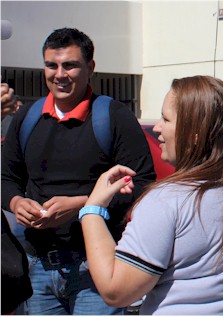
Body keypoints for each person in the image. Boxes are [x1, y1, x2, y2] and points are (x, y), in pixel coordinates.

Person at [79, 75, 223, 314]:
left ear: (194, 134)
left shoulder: (167, 200)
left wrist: (92, 210)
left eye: (166, 119)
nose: (157, 127)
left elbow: (116, 290)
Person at [1, 27, 156, 315]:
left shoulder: (114, 117)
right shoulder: (27, 118)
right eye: (51, 65)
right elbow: (6, 178)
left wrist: (83, 206)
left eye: (70, 65)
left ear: (90, 68)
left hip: (96, 269)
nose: (59, 74)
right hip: (38, 269)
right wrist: (16, 202)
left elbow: (144, 183)